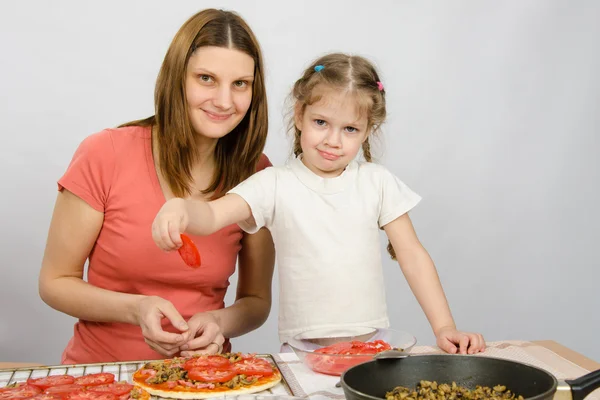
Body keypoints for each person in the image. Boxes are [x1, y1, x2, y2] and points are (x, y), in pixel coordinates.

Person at [152, 53, 486, 355]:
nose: (332, 140)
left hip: (371, 345)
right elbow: (211, 214)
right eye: (321, 122)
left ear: (368, 131)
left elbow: (412, 255)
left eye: (350, 129)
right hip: (301, 352)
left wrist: (444, 327)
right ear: (300, 115)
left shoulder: (377, 183)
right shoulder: (274, 184)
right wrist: (181, 209)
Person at [38, 8, 276, 364]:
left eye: (240, 83)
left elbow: (256, 301)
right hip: (103, 377)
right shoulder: (105, 153)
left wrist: (219, 322)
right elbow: (55, 281)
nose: (225, 101)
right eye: (207, 78)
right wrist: (137, 309)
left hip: (205, 377)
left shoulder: (258, 173)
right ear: (176, 78)